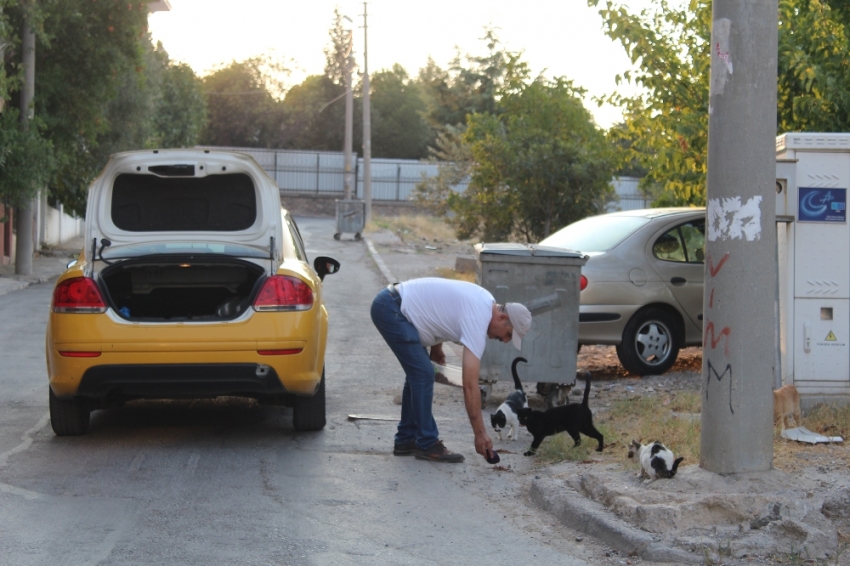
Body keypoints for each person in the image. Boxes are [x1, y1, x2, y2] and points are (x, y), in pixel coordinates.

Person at [370, 277, 532, 463]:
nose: (504, 340)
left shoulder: (486, 301)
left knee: (418, 373)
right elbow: (470, 385)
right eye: (508, 334)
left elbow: (444, 310)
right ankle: (427, 443)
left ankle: (406, 439)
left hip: (395, 305)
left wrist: (436, 346)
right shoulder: (478, 320)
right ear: (502, 318)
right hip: (392, 310)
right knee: (422, 373)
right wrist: (480, 434)